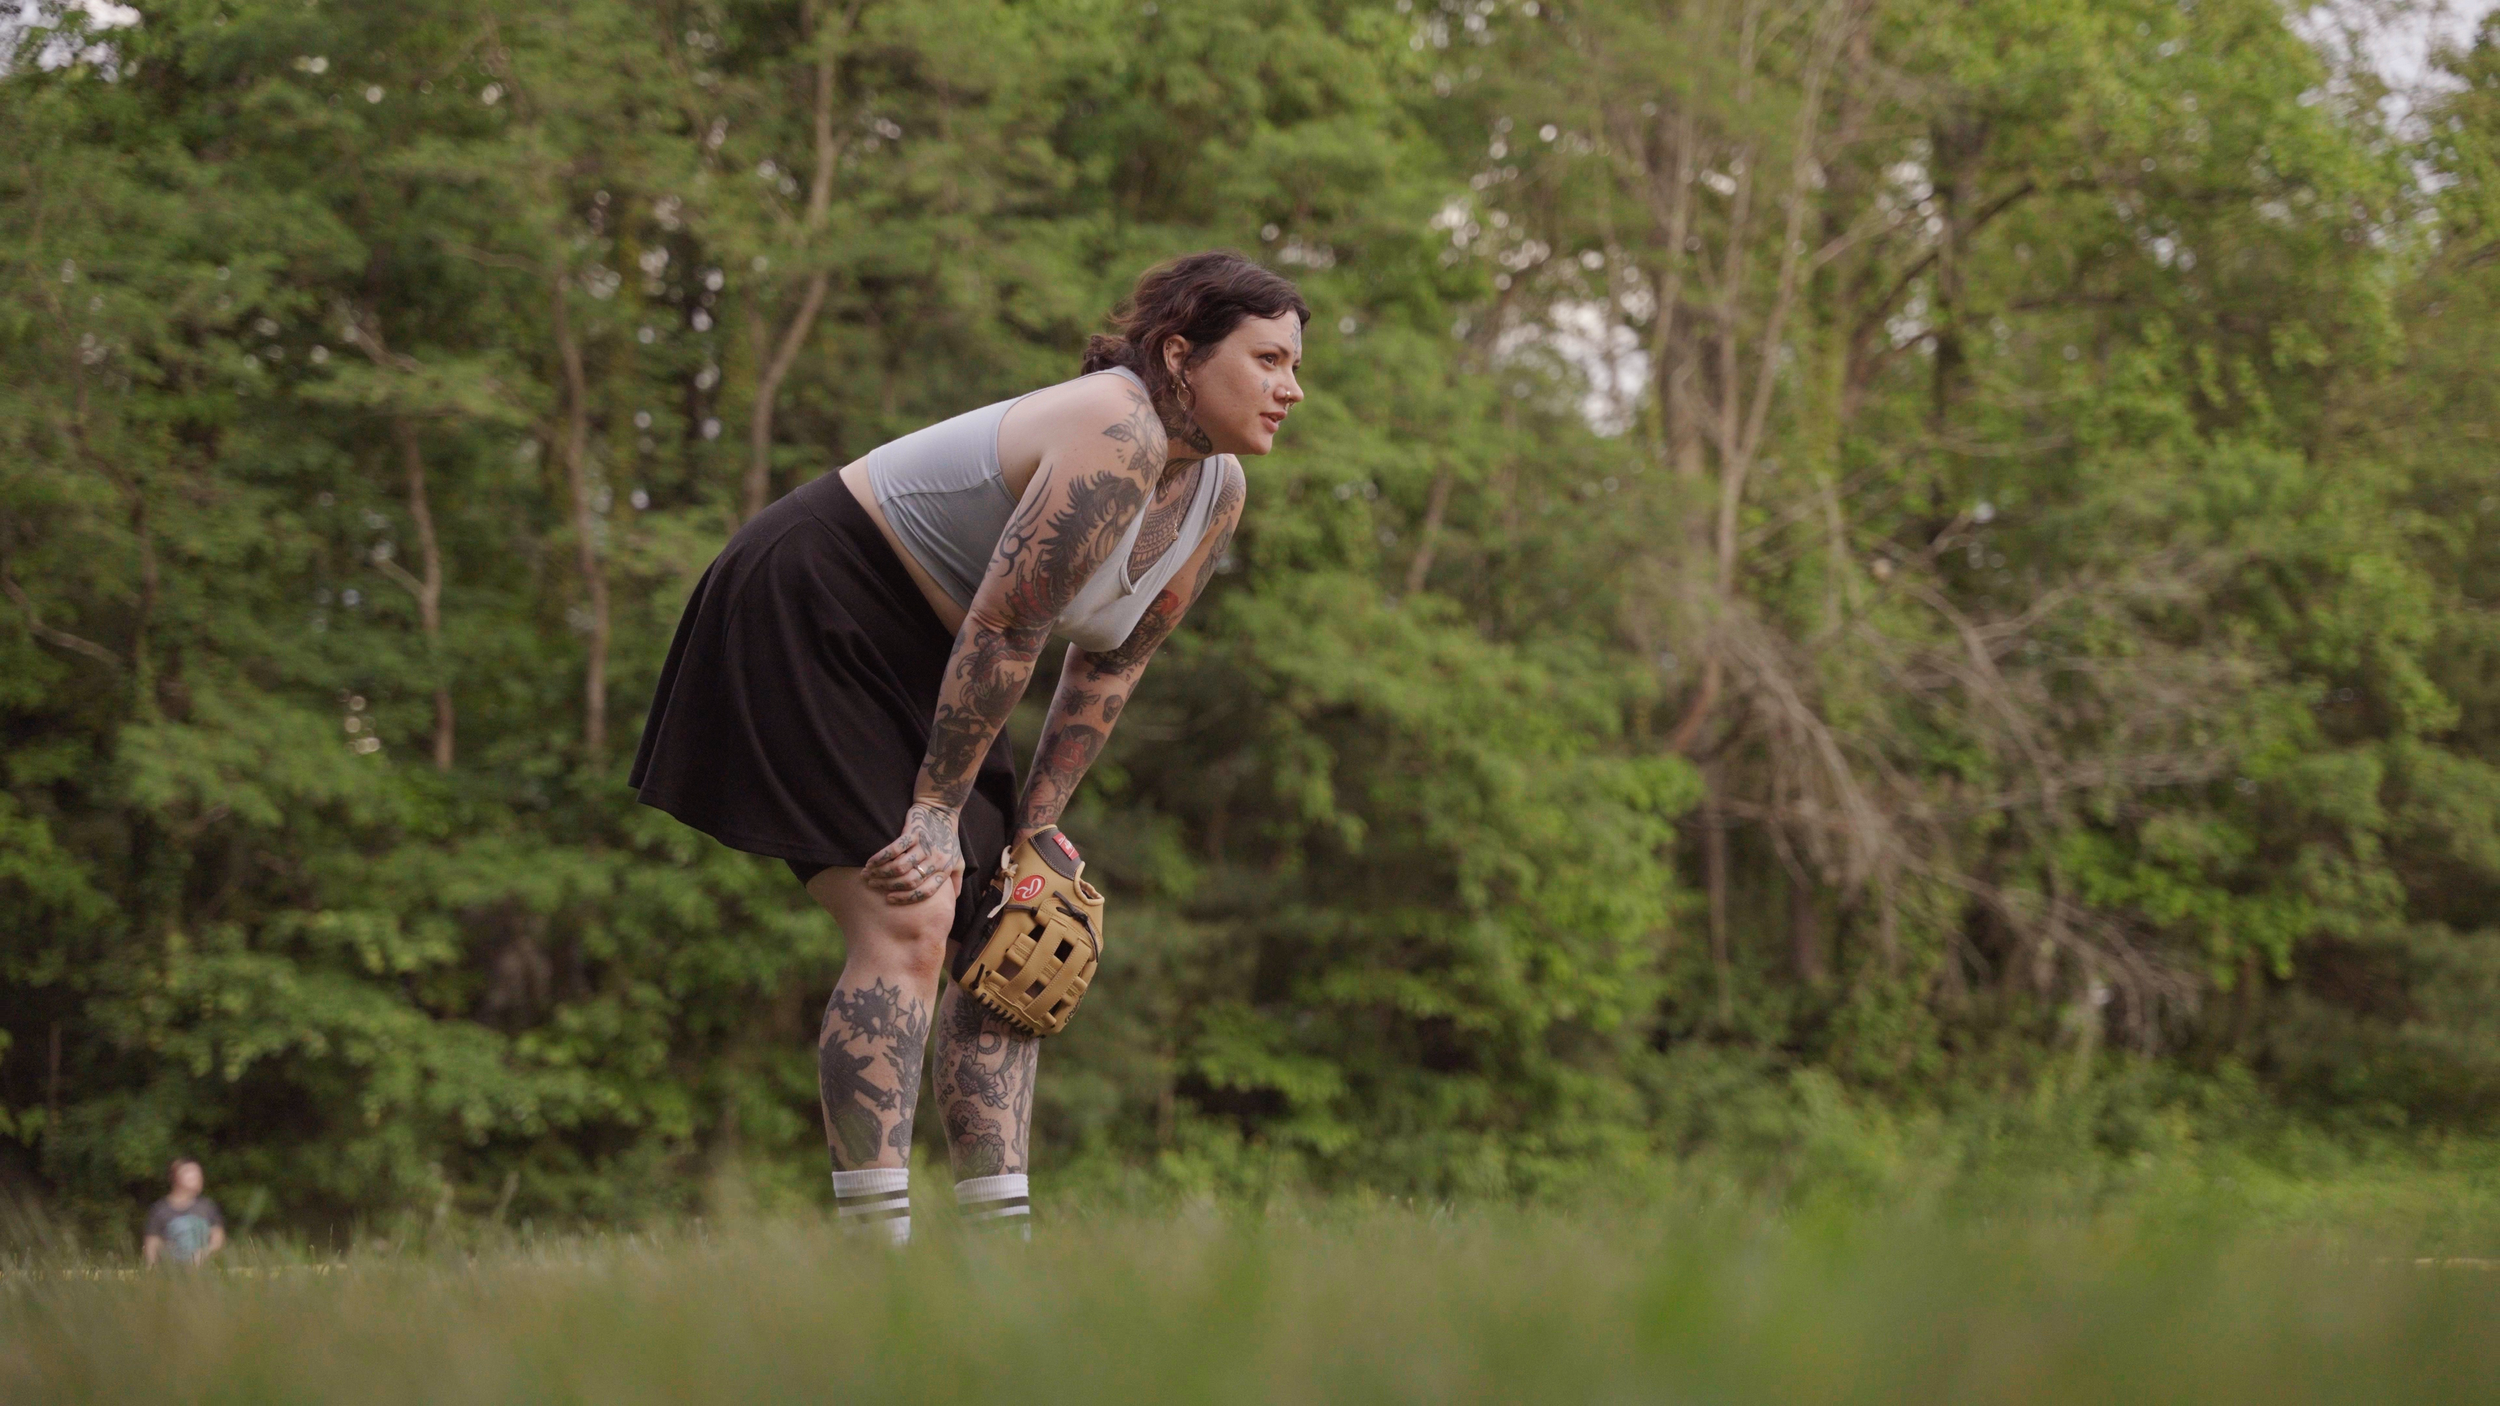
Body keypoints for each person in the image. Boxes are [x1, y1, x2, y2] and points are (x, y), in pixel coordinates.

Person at [633, 251, 1308, 1242]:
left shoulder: (1218, 489)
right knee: (912, 908)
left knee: (1015, 928)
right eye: (1267, 359)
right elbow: (1004, 632)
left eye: (1295, 365)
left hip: (935, 652)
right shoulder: (1114, 427)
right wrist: (937, 811)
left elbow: (1109, 666)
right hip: (815, 597)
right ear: (1180, 354)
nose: (1290, 387)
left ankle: (998, 1261)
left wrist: (1035, 832)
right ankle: (880, 1264)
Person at [143, 1157, 226, 1266]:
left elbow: (218, 1238)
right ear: (175, 1178)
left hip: (204, 1273)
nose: (198, 1178)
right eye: (191, 1174)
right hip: (171, 1273)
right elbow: (151, 1245)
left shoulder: (207, 1206)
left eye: (199, 1175)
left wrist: (205, 1253)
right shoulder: (159, 1210)